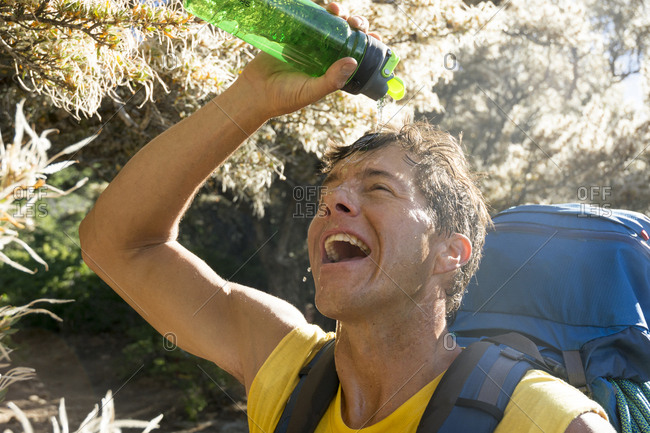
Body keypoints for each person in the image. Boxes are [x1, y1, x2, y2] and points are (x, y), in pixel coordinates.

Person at [79, 3, 614, 432]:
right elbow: (117, 244)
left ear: (451, 253)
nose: (333, 202)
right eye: (331, 190)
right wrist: (252, 97)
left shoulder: (544, 421)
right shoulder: (288, 371)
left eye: (378, 188)